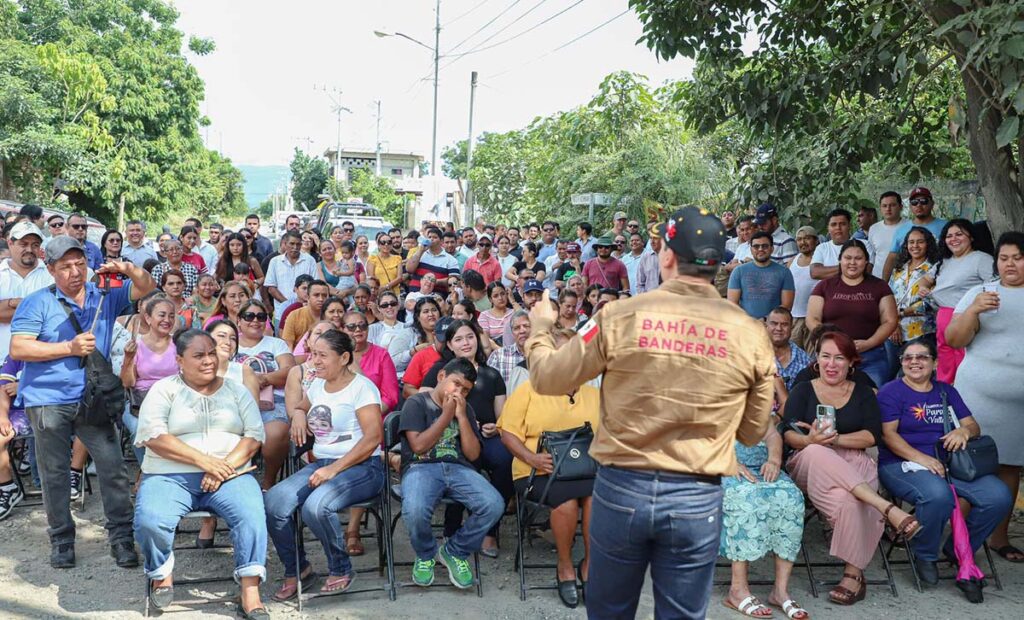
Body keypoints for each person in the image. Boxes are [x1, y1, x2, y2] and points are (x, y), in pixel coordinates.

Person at [525, 206, 775, 618]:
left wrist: (540, 327)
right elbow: (751, 432)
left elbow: (548, 379)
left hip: (623, 490)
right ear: (716, 263)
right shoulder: (750, 332)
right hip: (697, 498)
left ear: (667, 257)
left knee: (609, 612)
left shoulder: (620, 315)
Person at [10, 236, 155, 568]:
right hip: (47, 399)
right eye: (65, 266)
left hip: (94, 397)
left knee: (113, 469)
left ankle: (120, 538)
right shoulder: (36, 303)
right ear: (51, 269)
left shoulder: (103, 295)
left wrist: (128, 268)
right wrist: (68, 348)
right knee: (55, 473)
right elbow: (19, 348)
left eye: (80, 264)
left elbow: (147, 288)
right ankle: (61, 538)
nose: (75, 272)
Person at [133, 329, 268, 617]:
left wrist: (223, 468)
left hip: (230, 473)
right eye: (198, 355)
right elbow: (153, 436)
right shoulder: (164, 390)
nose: (208, 360)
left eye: (211, 353)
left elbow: (254, 436)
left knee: (251, 513)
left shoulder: (236, 390)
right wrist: (206, 462)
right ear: (179, 359)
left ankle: (250, 588)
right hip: (170, 475)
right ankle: (161, 574)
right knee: (151, 520)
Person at [781, 331, 918, 606]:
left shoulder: (863, 392)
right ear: (816, 360)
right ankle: (885, 507)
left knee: (850, 499)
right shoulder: (803, 389)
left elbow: (871, 436)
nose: (832, 364)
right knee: (819, 451)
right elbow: (787, 432)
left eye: (839, 358)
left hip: (852, 458)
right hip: (810, 462)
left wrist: (837, 439)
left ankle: (853, 575)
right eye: (825, 357)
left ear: (851, 362)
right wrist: (810, 440)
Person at [877, 339, 1011, 597]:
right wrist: (922, 459)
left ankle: (960, 548)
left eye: (922, 357)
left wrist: (963, 431)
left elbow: (973, 426)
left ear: (935, 362)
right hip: (901, 464)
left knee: (998, 496)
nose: (914, 362)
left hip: (951, 465)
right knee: (937, 496)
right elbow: (888, 436)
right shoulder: (891, 392)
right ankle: (925, 553)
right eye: (908, 357)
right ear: (901, 362)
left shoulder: (946, 391)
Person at [265, 329, 385, 599]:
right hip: (324, 462)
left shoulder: (362, 388)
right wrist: (297, 413)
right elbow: (302, 406)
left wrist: (334, 468)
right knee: (274, 502)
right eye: (312, 353)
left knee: (317, 506)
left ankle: (340, 567)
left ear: (343, 357)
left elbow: (373, 438)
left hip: (364, 466)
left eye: (321, 355)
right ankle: (298, 569)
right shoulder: (318, 384)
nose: (313, 361)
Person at [497, 325, 599, 608]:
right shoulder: (529, 389)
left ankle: (590, 566)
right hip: (537, 470)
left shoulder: (593, 393)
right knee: (565, 502)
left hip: (585, 469)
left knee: (598, 499)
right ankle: (565, 566)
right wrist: (532, 458)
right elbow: (508, 433)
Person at [945, 231, 1024, 563]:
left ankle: (999, 538)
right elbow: (953, 338)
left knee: (1010, 466)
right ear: (996, 262)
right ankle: (957, 540)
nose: (1010, 264)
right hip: (977, 397)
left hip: (1018, 405)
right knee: (968, 464)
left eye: (1018, 258)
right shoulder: (981, 293)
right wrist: (973, 311)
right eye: (1004, 258)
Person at [398, 358, 505, 588]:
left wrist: (463, 417)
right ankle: (426, 554)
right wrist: (446, 415)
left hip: (458, 468)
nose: (459, 392)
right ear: (441, 377)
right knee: (415, 509)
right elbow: (418, 446)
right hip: (421, 466)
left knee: (494, 504)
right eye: (455, 384)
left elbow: (474, 454)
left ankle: (455, 551)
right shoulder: (416, 403)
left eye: (465, 390)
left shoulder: (466, 409)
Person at [421, 319, 511, 557]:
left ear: (478, 338)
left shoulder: (492, 375)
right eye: (458, 338)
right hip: (450, 436)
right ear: (449, 343)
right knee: (462, 461)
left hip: (486, 437)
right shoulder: (440, 372)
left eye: (470, 336)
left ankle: (490, 531)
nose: (466, 343)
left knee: (505, 459)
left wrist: (496, 427)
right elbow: (423, 405)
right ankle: (452, 529)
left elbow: (502, 416)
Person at [719, 424, 807, 620]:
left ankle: (780, 591)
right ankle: (737, 590)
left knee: (791, 497)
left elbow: (772, 434)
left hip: (760, 468)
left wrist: (774, 460)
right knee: (745, 498)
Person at [806, 240, 897, 387]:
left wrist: (869, 343)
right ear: (840, 260)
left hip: (870, 356)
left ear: (866, 261)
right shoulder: (824, 286)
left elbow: (890, 321)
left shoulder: (880, 287)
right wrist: (833, 341)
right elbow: (812, 318)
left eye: (858, 258)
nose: (852, 262)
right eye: (848, 258)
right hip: (831, 356)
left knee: (873, 401)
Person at [920, 219, 992, 383]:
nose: (954, 239)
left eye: (959, 234)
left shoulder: (981, 259)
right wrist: (924, 288)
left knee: (964, 362)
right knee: (945, 364)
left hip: (966, 318)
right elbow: (924, 280)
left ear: (971, 237)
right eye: (949, 236)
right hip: (942, 316)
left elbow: (994, 288)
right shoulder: (944, 262)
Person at [235, 299, 295, 489]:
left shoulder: (276, 344)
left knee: (275, 434)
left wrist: (263, 379)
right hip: (236, 402)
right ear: (239, 320)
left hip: (272, 401)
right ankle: (239, 485)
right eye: (249, 316)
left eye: (261, 316)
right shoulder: (230, 343)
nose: (255, 321)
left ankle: (268, 483)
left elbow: (289, 371)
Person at [119, 296, 178, 462]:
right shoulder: (136, 344)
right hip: (141, 402)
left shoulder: (179, 344)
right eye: (162, 315)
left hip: (173, 400)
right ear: (148, 318)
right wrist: (129, 358)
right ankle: (147, 468)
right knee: (140, 429)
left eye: (171, 316)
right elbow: (127, 383)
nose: (167, 320)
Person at [887, 227, 940, 374]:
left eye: (920, 242)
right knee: (891, 374)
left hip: (922, 333)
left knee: (911, 375)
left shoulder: (935, 269)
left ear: (928, 244)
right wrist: (894, 323)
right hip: (894, 331)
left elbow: (932, 302)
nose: (915, 246)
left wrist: (901, 313)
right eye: (911, 242)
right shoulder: (899, 269)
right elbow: (888, 297)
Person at [0, 221, 53, 361]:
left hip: (38, 362)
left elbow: (51, 316)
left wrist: (8, 305)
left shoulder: (51, 276)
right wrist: (32, 307)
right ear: (10, 243)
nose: (29, 249)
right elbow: (41, 313)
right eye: (23, 244)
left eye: (35, 245)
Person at [882, 187, 948, 281]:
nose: (919, 205)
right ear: (910, 206)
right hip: (907, 284)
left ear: (932, 204)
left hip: (939, 279)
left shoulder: (946, 227)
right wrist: (884, 286)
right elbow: (892, 258)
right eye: (914, 202)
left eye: (923, 201)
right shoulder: (901, 230)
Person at [727, 232, 795, 318]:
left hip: (774, 326)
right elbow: (732, 305)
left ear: (772, 249)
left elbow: (787, 306)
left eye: (765, 246)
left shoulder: (784, 272)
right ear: (751, 250)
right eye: (756, 246)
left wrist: (766, 320)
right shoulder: (738, 271)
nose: (760, 249)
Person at [265, 230, 318, 327]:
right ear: (285, 244)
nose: (295, 247)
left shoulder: (310, 260)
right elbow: (271, 288)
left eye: (298, 244)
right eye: (292, 244)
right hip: (282, 312)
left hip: (306, 312)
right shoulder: (275, 261)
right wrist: (289, 305)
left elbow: (315, 286)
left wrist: (300, 304)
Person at [811, 209, 874, 280]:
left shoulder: (864, 244)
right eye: (833, 224)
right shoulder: (821, 248)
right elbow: (815, 273)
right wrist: (852, 267)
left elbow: (866, 270)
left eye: (842, 224)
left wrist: (827, 272)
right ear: (828, 228)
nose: (838, 228)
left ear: (849, 226)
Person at [402, 302, 446, 398]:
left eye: (434, 310)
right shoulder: (421, 354)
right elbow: (407, 390)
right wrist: (432, 397)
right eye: (426, 311)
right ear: (418, 317)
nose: (431, 314)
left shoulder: (459, 349)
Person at [367, 290, 415, 378]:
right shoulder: (372, 329)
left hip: (406, 375)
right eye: (385, 305)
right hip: (382, 376)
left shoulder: (409, 328)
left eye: (393, 303)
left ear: (398, 305)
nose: (389, 307)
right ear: (379, 308)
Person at [767, 307, 813, 390]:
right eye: (774, 323)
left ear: (792, 327)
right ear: (767, 326)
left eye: (784, 324)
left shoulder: (805, 361)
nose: (779, 328)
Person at [788, 225, 819, 349]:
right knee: (794, 354)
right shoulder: (792, 261)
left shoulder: (821, 261)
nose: (803, 242)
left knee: (812, 357)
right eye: (799, 239)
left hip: (814, 317)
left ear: (816, 241)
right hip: (794, 317)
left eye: (807, 238)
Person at [406, 226, 458, 296]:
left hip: (436, 296)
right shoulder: (420, 253)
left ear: (441, 241)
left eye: (435, 237)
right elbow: (409, 269)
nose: (431, 239)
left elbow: (454, 280)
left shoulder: (451, 260)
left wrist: (434, 282)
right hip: (415, 293)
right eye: (429, 237)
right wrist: (421, 250)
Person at [281, 279, 330, 350]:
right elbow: (289, 346)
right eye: (316, 295)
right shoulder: (294, 315)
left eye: (324, 296)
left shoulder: (331, 316)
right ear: (307, 297)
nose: (321, 299)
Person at [486, 309, 530, 385]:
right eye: (517, 328)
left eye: (526, 326)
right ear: (512, 333)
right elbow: (489, 387)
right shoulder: (498, 357)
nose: (522, 331)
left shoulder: (545, 354)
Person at [868, 192, 905, 278]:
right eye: (884, 206)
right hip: (878, 279)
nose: (888, 209)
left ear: (901, 207)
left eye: (892, 205)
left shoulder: (910, 227)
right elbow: (873, 254)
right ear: (880, 208)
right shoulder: (874, 229)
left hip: (902, 279)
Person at [366, 232, 403, 296]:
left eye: (389, 242)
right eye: (383, 242)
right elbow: (371, 278)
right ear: (378, 245)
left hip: (394, 293)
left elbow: (399, 278)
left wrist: (386, 287)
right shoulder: (372, 259)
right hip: (378, 293)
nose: (386, 244)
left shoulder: (397, 258)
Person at [635, 223, 662, 294]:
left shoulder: (672, 256)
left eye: (655, 238)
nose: (652, 242)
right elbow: (640, 284)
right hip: (649, 301)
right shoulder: (645, 257)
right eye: (650, 238)